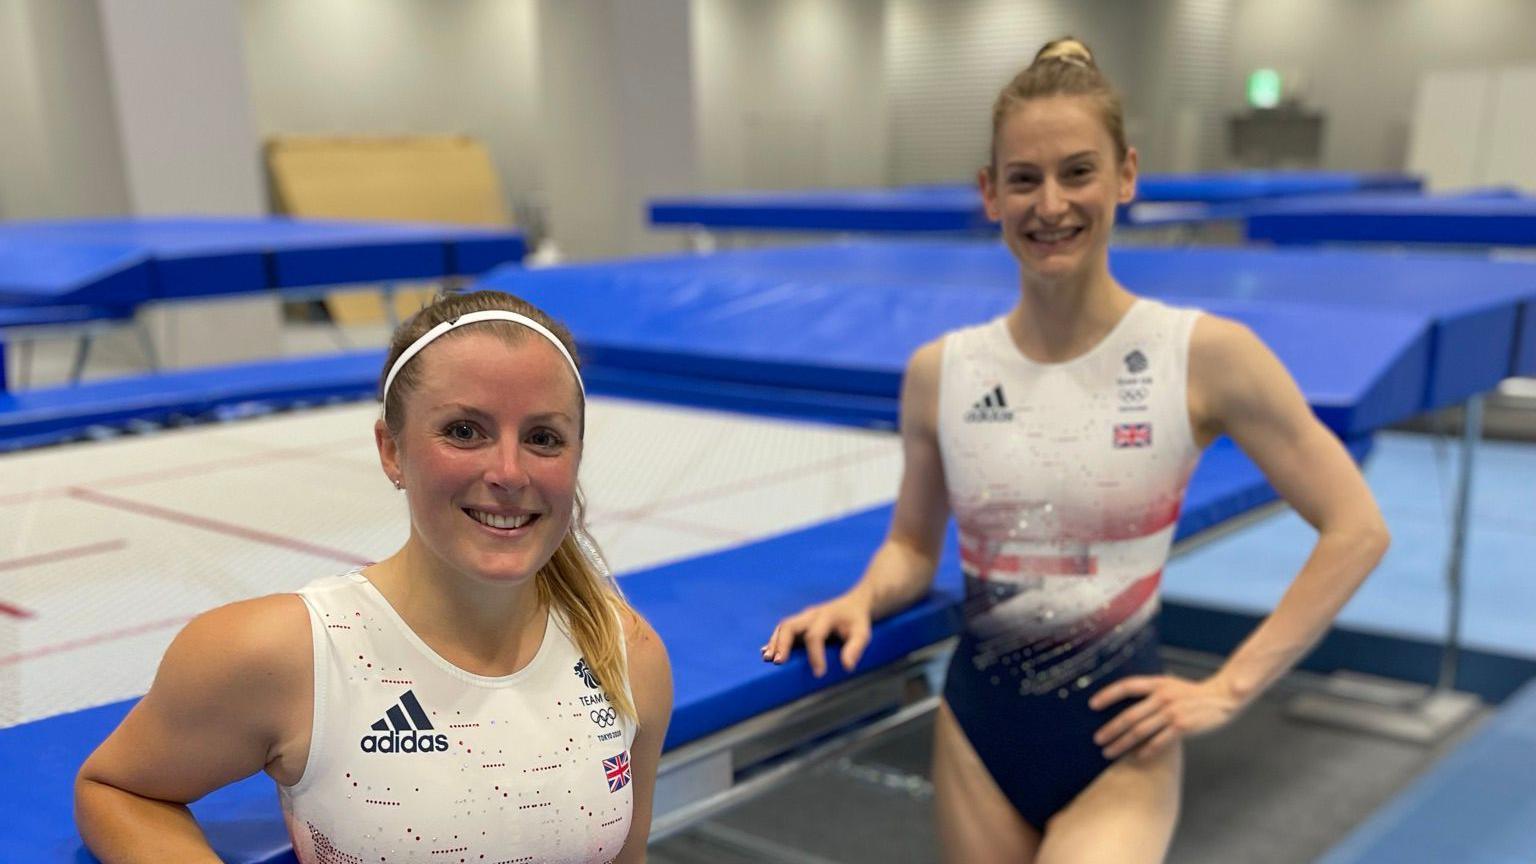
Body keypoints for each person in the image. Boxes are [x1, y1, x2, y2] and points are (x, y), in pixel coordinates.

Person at [764, 37, 1389, 864]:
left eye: (1077, 172)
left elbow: (1356, 526)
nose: (1050, 203)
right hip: (978, 733)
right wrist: (863, 597)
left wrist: (1231, 686)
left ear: (1126, 176)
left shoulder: (1202, 354)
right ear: (990, 193)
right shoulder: (940, 373)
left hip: (1121, 741)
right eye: (1023, 178)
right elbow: (913, 547)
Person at [76, 290, 673, 863]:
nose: (509, 472)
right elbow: (118, 789)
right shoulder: (288, 654)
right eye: (465, 431)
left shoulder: (622, 651)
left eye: (544, 438)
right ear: (392, 451)